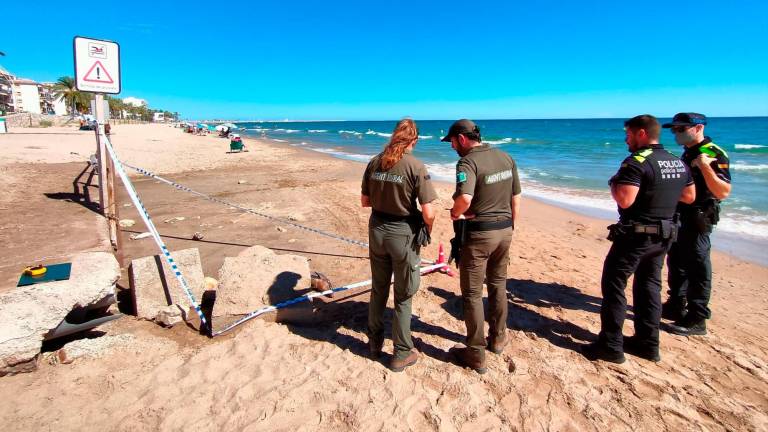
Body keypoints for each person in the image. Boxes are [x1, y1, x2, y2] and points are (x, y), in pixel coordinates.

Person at [582, 115, 695, 364]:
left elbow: (625, 199)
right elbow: (689, 196)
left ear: (641, 133)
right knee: (649, 288)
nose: (626, 139)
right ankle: (648, 343)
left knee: (614, 286)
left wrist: (613, 182)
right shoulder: (675, 161)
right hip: (664, 235)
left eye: (628, 134)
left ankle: (611, 345)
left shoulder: (637, 161)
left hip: (636, 236)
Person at [443, 119, 522, 374]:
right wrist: (511, 226)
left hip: (480, 235)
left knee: (472, 294)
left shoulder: (467, 162)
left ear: (462, 139)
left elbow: (464, 198)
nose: (452, 147)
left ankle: (475, 353)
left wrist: (455, 214)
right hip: (505, 230)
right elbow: (516, 197)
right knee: (498, 285)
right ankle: (498, 338)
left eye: (452, 142)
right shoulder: (505, 157)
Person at [360, 118, 437, 372]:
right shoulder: (415, 165)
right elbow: (429, 212)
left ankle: (374, 343)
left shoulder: (374, 162)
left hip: (377, 230)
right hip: (401, 233)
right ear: (413, 140)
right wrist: (427, 229)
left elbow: (365, 201)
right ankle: (402, 352)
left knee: (378, 288)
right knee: (403, 295)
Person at [662, 113, 731, 336]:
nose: (675, 133)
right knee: (677, 261)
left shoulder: (712, 153)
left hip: (699, 215)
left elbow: (723, 191)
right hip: (680, 214)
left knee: (698, 266)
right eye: (673, 130)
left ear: (698, 127)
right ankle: (676, 304)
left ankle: (697, 317)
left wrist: (705, 167)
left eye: (680, 129)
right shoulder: (689, 152)